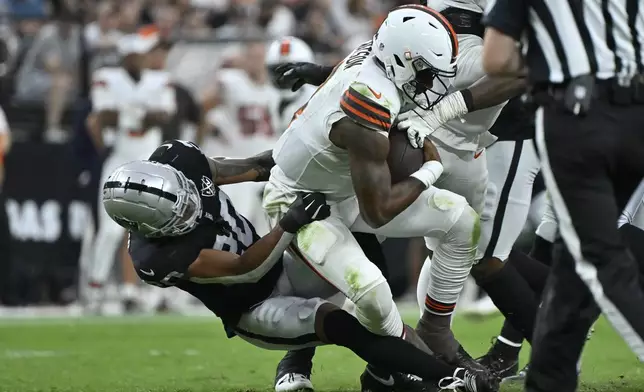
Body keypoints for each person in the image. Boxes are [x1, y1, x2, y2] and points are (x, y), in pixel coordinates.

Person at [262, 4, 522, 391]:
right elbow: (379, 211)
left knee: (462, 223)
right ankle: (325, 358)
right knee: (364, 285)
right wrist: (429, 170)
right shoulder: (371, 98)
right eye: (429, 72)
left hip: (357, 187)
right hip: (312, 199)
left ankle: (429, 340)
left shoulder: (391, 57)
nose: (435, 84)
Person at [103, 139, 497, 392]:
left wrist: (305, 157)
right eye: (179, 215)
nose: (191, 209)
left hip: (280, 266)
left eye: (187, 198)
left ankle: (376, 373)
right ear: (146, 228)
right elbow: (245, 268)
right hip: (252, 307)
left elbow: (253, 166)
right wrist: (289, 223)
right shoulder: (155, 257)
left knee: (355, 242)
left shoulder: (181, 161)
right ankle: (444, 378)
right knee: (341, 325)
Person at [482, 1, 644, 391]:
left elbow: (496, 57)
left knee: (597, 256)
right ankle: (547, 380)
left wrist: (550, 64)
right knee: (571, 260)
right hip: (637, 115)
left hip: (577, 113)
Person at [84, 26, 176, 313]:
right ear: (127, 55)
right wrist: (138, 113)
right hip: (120, 160)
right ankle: (94, 289)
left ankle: (155, 293)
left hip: (151, 163)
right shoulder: (106, 78)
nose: (144, 58)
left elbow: (163, 117)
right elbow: (103, 116)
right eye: (139, 53)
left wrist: (127, 113)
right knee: (110, 230)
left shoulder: (160, 80)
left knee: (158, 228)